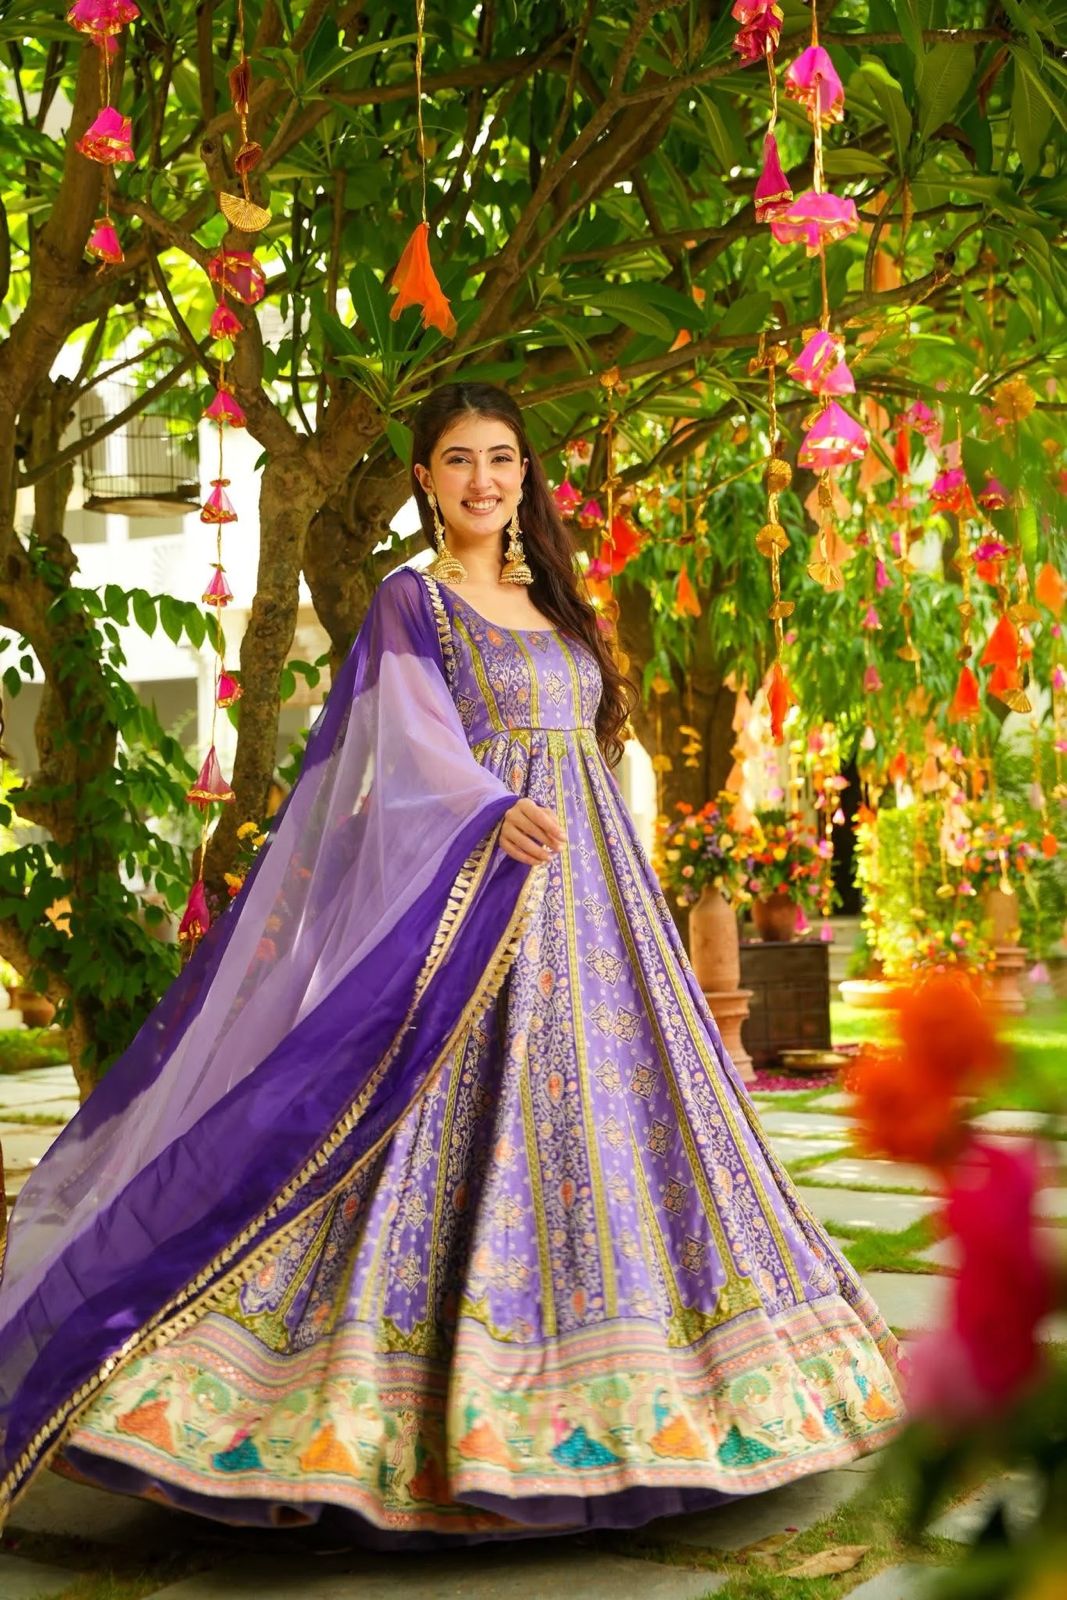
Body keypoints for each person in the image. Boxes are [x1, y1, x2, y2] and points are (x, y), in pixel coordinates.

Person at [0, 382, 904, 1547]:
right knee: (435, 1137)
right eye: (460, 461)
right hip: (482, 911)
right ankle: (380, 1416)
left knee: (636, 1127)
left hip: (603, 909)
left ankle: (681, 1400)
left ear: (527, 477)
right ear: (425, 479)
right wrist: (486, 814)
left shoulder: (559, 604)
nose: (484, 480)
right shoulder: (408, 603)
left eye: (503, 460)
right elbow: (405, 747)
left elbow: (584, 744)